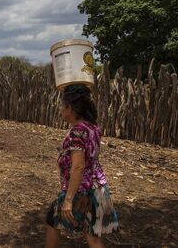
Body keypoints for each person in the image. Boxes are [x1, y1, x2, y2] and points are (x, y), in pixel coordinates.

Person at [45, 84, 119, 248]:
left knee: (53, 220)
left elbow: (78, 166)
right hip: (98, 188)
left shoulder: (77, 132)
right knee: (93, 237)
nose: (60, 109)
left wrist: (68, 201)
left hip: (82, 191)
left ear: (69, 108)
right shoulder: (92, 127)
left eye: (62, 105)